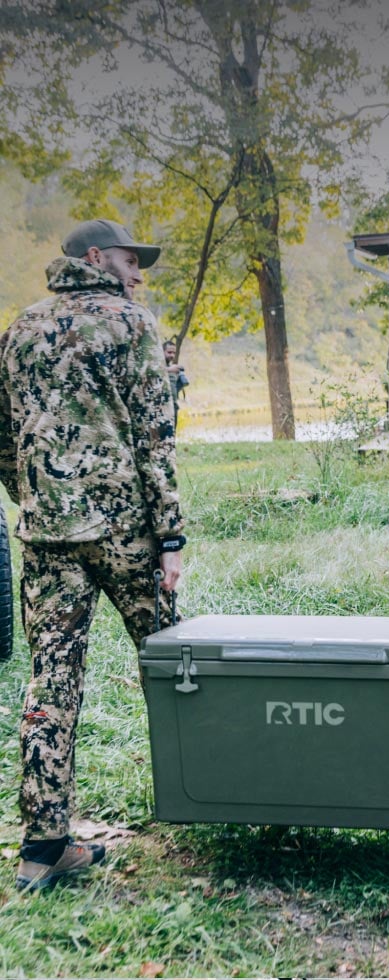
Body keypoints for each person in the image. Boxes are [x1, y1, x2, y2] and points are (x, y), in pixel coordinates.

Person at [0, 218, 185, 891]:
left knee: (51, 684)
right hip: (124, 531)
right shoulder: (133, 325)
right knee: (174, 663)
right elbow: (156, 441)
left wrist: (40, 496)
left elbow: (2, 435)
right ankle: (211, 793)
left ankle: (42, 849)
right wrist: (170, 538)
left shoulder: (19, 328)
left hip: (47, 534)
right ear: (97, 258)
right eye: (133, 261)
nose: (139, 275)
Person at [163, 338, 190, 430]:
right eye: (169, 352)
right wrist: (169, 370)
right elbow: (151, 373)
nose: (172, 355)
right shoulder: (157, 365)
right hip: (162, 406)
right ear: (162, 352)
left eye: (174, 353)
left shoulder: (172, 368)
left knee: (172, 434)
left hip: (173, 405)